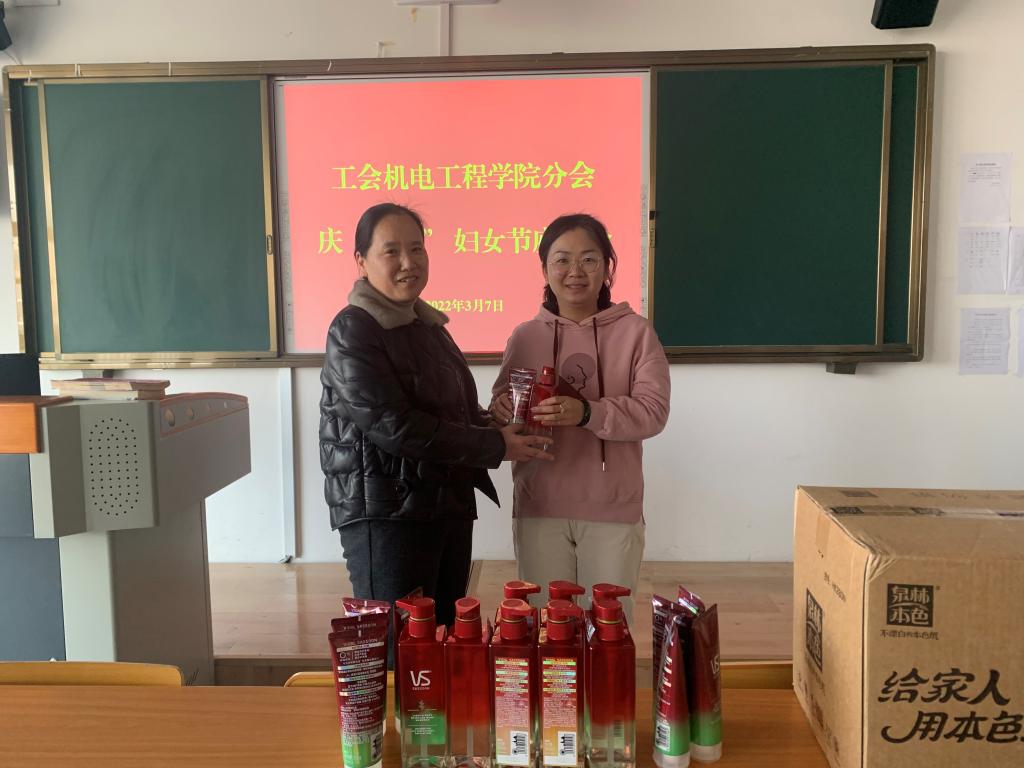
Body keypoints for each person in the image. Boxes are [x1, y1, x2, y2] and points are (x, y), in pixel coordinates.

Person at [320, 203, 552, 628]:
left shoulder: (428, 328)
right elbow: (394, 426)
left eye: (417, 249)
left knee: (444, 637)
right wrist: (494, 444)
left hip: (444, 507)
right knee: (400, 642)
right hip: (387, 515)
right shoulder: (354, 329)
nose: (408, 262)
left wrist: (493, 422)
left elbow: (451, 411)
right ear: (361, 261)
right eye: (391, 251)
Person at [490, 213, 670, 621]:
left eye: (589, 259)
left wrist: (587, 411)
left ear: (607, 267)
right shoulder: (525, 336)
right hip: (539, 505)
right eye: (562, 260)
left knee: (606, 632)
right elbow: (503, 409)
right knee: (546, 628)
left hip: (612, 509)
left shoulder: (637, 334)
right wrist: (499, 410)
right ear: (545, 269)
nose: (575, 271)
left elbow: (653, 412)